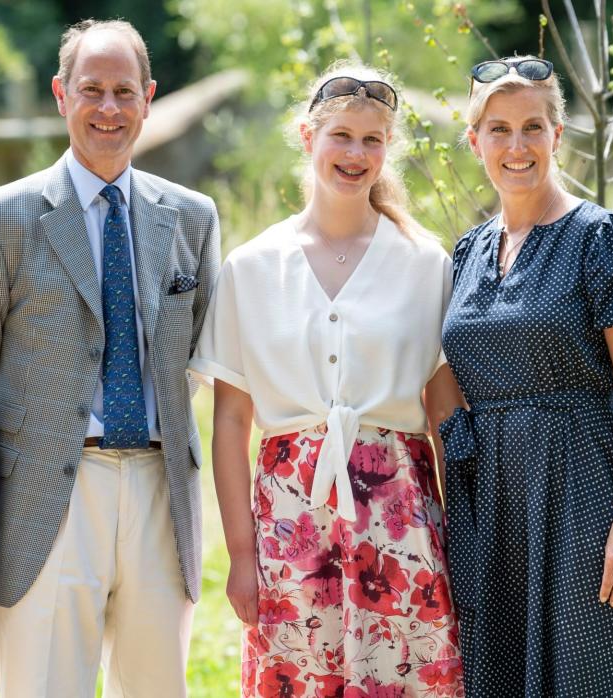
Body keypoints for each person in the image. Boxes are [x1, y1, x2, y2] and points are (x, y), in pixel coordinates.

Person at [0, 18, 220, 697]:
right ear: (61, 95)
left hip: (161, 493)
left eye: (125, 91)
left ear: (148, 97)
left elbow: (202, 362)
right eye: (91, 89)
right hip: (44, 502)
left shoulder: (193, 217)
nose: (109, 108)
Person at [190, 62, 466, 697]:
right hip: (289, 521)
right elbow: (231, 422)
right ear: (306, 135)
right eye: (341, 135)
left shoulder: (425, 263)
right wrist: (239, 556)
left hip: (402, 519)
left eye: (373, 140)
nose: (356, 154)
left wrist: (460, 540)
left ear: (388, 149)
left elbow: (444, 416)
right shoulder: (252, 266)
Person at [439, 56, 613, 695]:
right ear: (475, 141)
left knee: (596, 672)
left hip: (586, 489)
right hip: (494, 498)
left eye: (533, 126)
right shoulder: (468, 251)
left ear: (558, 136)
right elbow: (443, 375)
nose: (517, 145)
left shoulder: (602, 238)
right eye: (498, 129)